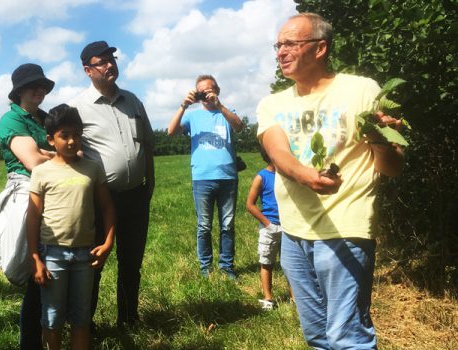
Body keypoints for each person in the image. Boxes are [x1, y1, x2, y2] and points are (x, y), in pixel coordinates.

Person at [256, 13, 405, 349]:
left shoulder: (362, 90)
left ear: (320, 47)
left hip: (345, 227)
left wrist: (380, 139)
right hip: (293, 230)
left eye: (290, 44)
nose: (280, 52)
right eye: (277, 45)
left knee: (347, 335)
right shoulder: (272, 103)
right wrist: (303, 175)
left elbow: (393, 167)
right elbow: (277, 149)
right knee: (318, 336)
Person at [67, 40, 155, 328]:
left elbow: (148, 146)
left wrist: (149, 185)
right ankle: (85, 323)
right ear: (87, 70)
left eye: (111, 59)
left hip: (136, 197)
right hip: (100, 200)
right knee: (94, 263)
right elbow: (66, 150)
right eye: (101, 61)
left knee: (131, 263)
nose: (109, 65)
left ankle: (128, 319)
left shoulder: (133, 101)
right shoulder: (76, 107)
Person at [27, 104, 116, 350]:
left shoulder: (92, 168)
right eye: (64, 135)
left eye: (76, 134)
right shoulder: (42, 172)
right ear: (51, 139)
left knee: (81, 317)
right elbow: (33, 217)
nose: (71, 141)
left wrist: (108, 243)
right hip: (52, 253)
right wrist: (35, 257)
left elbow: (108, 207)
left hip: (84, 254)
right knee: (52, 319)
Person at [0, 63, 56, 349]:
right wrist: (57, 153)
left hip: (55, 196)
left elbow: (71, 146)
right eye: (33, 85)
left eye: (43, 85)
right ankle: (30, 343)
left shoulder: (46, 118)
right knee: (35, 273)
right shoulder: (11, 120)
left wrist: (48, 152)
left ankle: (51, 335)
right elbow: (32, 162)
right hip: (29, 195)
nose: (40, 89)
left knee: (52, 270)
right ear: (19, 91)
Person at [167, 75, 244, 279]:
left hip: (228, 176)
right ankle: (205, 269)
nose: (205, 95)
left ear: (216, 90)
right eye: (200, 91)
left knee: (228, 225)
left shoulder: (226, 112)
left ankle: (226, 267)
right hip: (202, 177)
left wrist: (220, 106)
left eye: (208, 90)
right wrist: (183, 106)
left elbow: (239, 126)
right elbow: (171, 131)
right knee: (204, 226)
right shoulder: (192, 115)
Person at [245, 147, 286, 310]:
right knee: (267, 262)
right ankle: (268, 298)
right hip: (269, 227)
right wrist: (267, 224)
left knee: (290, 264)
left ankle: (294, 297)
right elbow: (250, 204)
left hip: (289, 226)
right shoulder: (261, 177)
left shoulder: (287, 176)